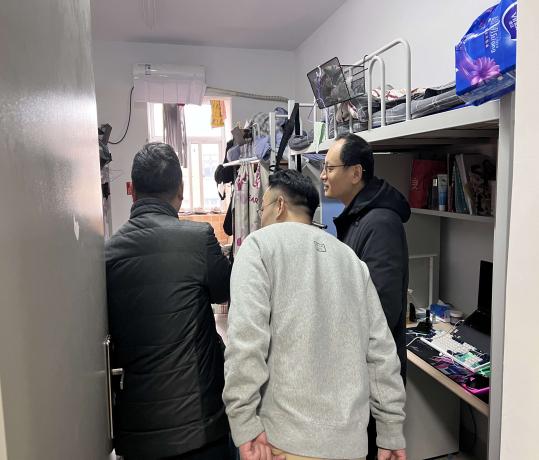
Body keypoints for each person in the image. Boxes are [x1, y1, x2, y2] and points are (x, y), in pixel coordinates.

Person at [223, 169, 406, 460]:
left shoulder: (259, 246)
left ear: (279, 205)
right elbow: (382, 353)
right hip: (350, 445)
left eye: (261, 209)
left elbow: (245, 343)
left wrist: (243, 424)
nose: (260, 217)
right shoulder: (351, 260)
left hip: (283, 443)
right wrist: (391, 431)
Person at [106, 143, 232, 460]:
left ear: (132, 191)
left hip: (138, 437)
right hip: (201, 429)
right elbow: (224, 291)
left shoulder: (107, 253)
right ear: (181, 189)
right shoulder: (198, 239)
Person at [320, 133, 411, 460]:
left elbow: (381, 312)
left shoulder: (380, 223)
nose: (323, 175)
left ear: (355, 173)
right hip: (356, 369)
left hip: (372, 376)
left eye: (329, 168)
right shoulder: (359, 218)